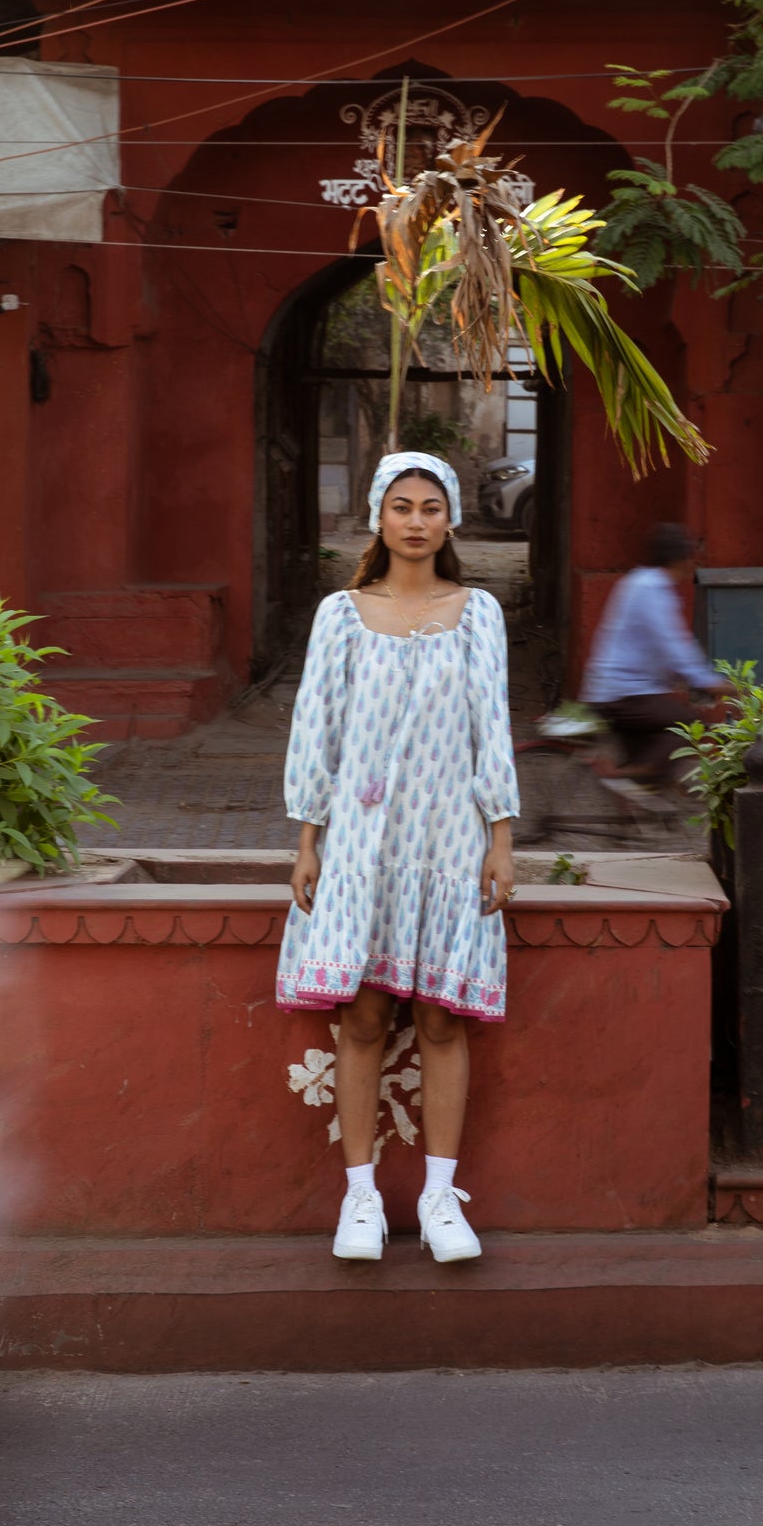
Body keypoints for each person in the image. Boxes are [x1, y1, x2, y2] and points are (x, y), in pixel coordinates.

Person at [278, 450, 520, 1267]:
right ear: (378, 517)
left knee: (444, 1018)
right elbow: (316, 729)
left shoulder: (479, 612)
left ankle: (439, 1197)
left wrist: (500, 837)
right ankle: (360, 1198)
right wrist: (307, 843)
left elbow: (493, 726)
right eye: (401, 506)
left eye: (431, 507)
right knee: (363, 1016)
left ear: (449, 520)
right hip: (358, 841)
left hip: (450, 840)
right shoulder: (340, 614)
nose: (416, 521)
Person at [580, 523, 728, 787]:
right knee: (689, 724)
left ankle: (635, 787)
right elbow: (673, 645)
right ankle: (638, 773)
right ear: (679, 559)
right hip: (625, 694)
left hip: (613, 688)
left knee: (647, 773)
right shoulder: (654, 590)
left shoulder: (637, 581)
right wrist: (707, 681)